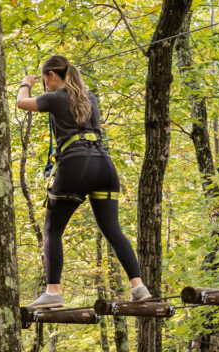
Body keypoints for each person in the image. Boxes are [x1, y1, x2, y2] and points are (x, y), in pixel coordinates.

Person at [16, 55, 151, 308]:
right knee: (112, 229)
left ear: (52, 76)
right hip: (105, 167)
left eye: (45, 81)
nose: (45, 86)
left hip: (77, 166)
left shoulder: (56, 97)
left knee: (53, 230)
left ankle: (53, 292)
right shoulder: (90, 98)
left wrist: (26, 83)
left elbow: (22, 103)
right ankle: (138, 286)